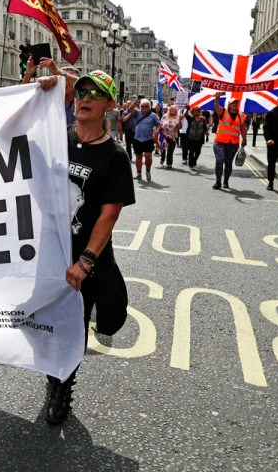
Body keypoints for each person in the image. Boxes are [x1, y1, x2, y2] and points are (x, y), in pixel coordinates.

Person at [37, 70, 134, 425]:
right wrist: (37, 91)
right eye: (81, 93)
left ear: (109, 104)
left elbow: (109, 215)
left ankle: (62, 387)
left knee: (73, 326)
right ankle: (54, 372)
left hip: (83, 261)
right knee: (42, 321)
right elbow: (16, 134)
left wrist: (86, 261)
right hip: (48, 253)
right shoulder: (58, 138)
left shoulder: (115, 156)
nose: (85, 99)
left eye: (95, 94)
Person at [212, 92, 247, 190]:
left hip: (233, 143)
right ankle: (218, 181)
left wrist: (244, 139)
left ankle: (226, 181)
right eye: (233, 103)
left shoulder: (241, 116)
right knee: (219, 161)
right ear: (229, 104)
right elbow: (216, 106)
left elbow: (243, 129)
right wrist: (217, 98)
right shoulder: (223, 112)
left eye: (236, 103)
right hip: (220, 141)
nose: (235, 104)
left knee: (228, 163)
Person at [130, 99, 160, 181]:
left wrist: (157, 130)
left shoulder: (153, 115)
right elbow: (131, 108)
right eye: (142, 106)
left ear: (149, 107)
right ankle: (139, 173)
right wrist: (136, 100)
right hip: (137, 139)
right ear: (140, 107)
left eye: (146, 106)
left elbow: (159, 125)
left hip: (148, 139)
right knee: (138, 156)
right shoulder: (137, 113)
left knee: (148, 156)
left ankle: (148, 171)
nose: (144, 107)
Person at [158, 104, 182, 169]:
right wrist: (159, 128)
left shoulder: (178, 117)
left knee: (170, 151)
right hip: (164, 135)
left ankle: (169, 164)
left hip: (172, 136)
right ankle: (162, 158)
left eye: (174, 109)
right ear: (169, 110)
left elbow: (180, 127)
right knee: (163, 149)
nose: (173, 110)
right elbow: (160, 124)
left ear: (176, 111)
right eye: (171, 109)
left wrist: (180, 120)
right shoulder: (164, 116)